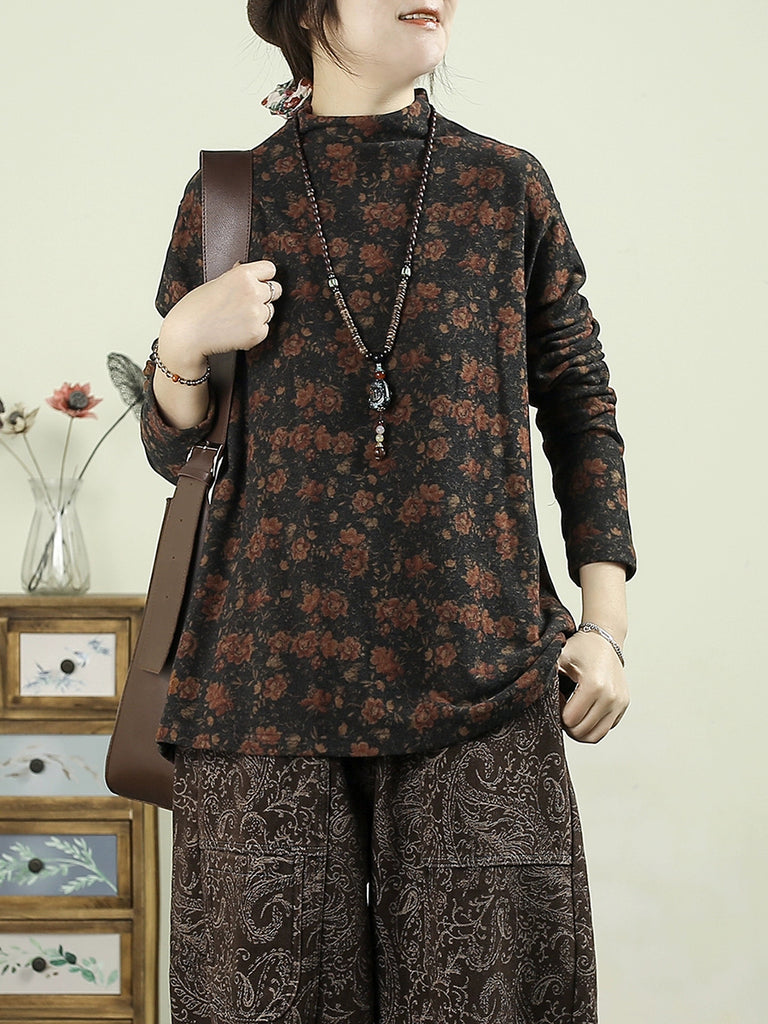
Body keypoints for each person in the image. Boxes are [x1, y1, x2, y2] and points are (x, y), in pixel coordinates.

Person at [141, 1, 636, 1021]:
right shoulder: (228, 197)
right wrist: (181, 344)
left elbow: (581, 403)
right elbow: (182, 452)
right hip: (261, 694)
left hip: (482, 674)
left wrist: (605, 625)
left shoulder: (504, 187)